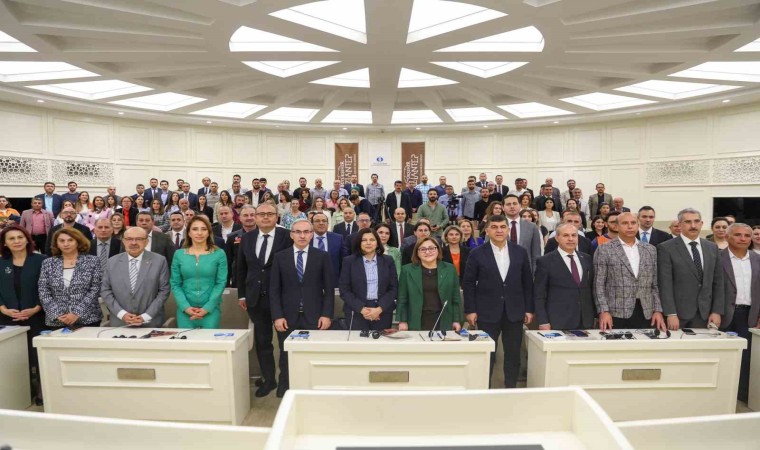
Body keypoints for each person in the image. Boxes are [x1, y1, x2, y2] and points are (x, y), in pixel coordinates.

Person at [463, 214, 534, 388]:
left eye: (502, 227)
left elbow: (527, 282)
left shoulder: (520, 252)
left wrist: (529, 309)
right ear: (487, 231)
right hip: (486, 312)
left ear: (508, 229)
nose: (499, 230)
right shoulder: (476, 253)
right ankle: (484, 390)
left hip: (514, 311)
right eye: (494, 227)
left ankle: (511, 390)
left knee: (513, 355)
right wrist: (470, 310)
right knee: (487, 354)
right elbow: (469, 283)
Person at [270, 218, 334, 397]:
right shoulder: (280, 257)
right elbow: (274, 290)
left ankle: (312, 386)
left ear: (312, 234)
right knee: (285, 354)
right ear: (291, 235)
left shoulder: (322, 256)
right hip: (287, 317)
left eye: (306, 232)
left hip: (314, 316)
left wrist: (326, 315)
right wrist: (277, 316)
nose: (302, 235)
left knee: (313, 354)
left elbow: (329, 289)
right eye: (298, 232)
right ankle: (285, 385)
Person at [237, 203, 293, 398]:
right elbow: (241, 268)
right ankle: (269, 379)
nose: (266, 217)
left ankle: (285, 381)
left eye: (270, 214)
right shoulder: (247, 238)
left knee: (285, 343)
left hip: (282, 299)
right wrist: (242, 294)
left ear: (277, 216)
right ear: (256, 217)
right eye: (262, 214)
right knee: (263, 342)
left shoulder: (287, 236)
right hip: (255, 299)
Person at [594, 212, 666, 331]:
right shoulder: (604, 249)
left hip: (645, 312)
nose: (630, 226)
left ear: (638, 225)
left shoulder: (650, 250)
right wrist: (603, 310)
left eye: (633, 223)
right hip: (615, 312)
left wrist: (657, 310)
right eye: (625, 223)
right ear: (616, 226)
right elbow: (598, 284)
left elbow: (654, 284)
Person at [0, 225, 47, 405]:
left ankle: (42, 390)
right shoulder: (1, 263)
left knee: (37, 355)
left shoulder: (42, 260)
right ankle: (22, 391)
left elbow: (50, 287)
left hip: (37, 316)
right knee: (15, 357)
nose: (17, 241)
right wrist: (2, 308)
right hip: (8, 318)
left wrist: (37, 307)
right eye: (11, 238)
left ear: (27, 239)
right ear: (5, 243)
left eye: (20, 237)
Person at [657, 208, 724, 330]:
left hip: (705, 314)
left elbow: (718, 282)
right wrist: (671, 313)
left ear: (702, 224)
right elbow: (665, 284)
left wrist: (716, 311)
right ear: (680, 224)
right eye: (688, 222)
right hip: (678, 315)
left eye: (696, 221)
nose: (693, 226)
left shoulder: (712, 248)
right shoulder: (666, 248)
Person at [719, 223, 760, 403]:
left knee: (747, 357)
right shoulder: (717, 258)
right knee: (723, 356)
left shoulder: (757, 259)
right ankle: (722, 396)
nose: (743, 239)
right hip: (722, 315)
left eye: (747, 235)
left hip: (749, 316)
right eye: (738, 235)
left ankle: (742, 396)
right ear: (727, 237)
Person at [101, 226, 170, 328]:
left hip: (151, 323)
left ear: (146, 242)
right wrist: (122, 314)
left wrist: (146, 316)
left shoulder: (159, 261)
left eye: (139, 239)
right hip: (120, 323)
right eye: (129, 239)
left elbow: (164, 291)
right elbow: (105, 290)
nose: (133, 243)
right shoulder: (112, 262)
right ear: (123, 241)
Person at [534, 223, 595, 330]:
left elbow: (590, 289)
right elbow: (539, 294)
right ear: (557, 238)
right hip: (558, 321)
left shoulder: (587, 258)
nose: (570, 239)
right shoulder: (545, 261)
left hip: (585, 321)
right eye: (566, 235)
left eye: (574, 235)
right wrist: (543, 321)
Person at [170, 215, 227, 329]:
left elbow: (220, 283)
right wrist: (185, 307)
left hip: (210, 310)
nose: (199, 233)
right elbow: (175, 284)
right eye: (195, 229)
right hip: (185, 311)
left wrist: (207, 308)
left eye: (204, 229)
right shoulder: (179, 254)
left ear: (208, 233)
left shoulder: (219, 254)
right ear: (189, 233)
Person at [38, 228, 102, 329]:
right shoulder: (48, 263)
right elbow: (43, 291)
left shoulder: (93, 261)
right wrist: (57, 314)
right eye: (62, 241)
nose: (66, 244)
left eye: (70, 240)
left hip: (88, 319)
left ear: (78, 241)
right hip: (58, 320)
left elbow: (95, 289)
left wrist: (77, 313)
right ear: (56, 244)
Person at [398, 237, 462, 332]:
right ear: (417, 253)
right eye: (423, 249)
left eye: (431, 248)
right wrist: (402, 321)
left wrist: (456, 320)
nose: (427, 252)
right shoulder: (407, 270)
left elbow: (455, 297)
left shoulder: (450, 269)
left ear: (438, 250)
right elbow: (402, 298)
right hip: (416, 319)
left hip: (443, 319)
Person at [339, 228, 398, 331]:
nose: (368, 243)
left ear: (377, 243)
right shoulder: (349, 261)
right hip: (356, 311)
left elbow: (393, 288)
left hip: (382, 311)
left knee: (381, 341)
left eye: (372, 240)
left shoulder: (388, 260)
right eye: (364, 240)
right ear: (359, 243)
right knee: (358, 341)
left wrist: (379, 309)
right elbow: (344, 290)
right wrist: (362, 309)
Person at [503, 194, 541, 272]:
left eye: (515, 203)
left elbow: (536, 253)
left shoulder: (532, 227)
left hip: (525, 270)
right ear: (503, 207)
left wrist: (535, 274)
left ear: (520, 205)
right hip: (502, 270)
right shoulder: (494, 226)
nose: (512, 206)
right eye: (508, 204)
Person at [226, 205, 257, 287]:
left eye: (252, 215)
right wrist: (227, 283)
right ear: (240, 218)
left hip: (259, 279)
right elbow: (228, 262)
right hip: (239, 280)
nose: (249, 218)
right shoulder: (232, 237)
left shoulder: (265, 235)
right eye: (245, 215)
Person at [310, 212, 342, 285]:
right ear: (312, 224)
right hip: (310, 282)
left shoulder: (338, 238)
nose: (321, 223)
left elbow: (343, 262)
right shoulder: (306, 239)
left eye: (324, 221)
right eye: (317, 221)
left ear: (328, 224)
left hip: (333, 282)